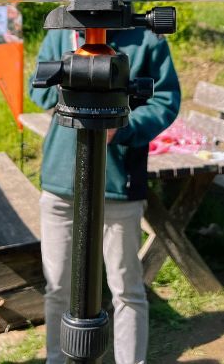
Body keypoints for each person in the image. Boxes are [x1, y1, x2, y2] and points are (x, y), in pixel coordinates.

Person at [30, 27, 180, 364]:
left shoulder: (145, 39)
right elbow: (36, 90)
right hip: (61, 181)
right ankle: (59, 359)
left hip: (117, 183)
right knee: (57, 287)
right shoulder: (61, 30)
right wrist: (72, 75)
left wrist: (122, 124)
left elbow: (166, 100)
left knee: (126, 288)